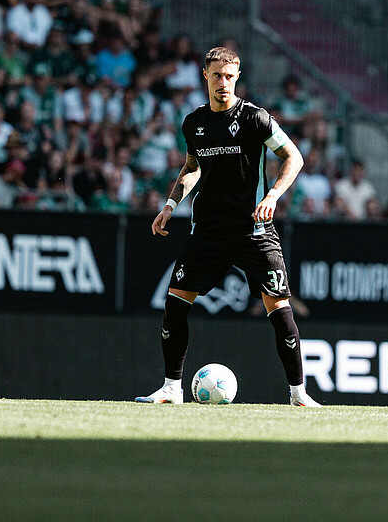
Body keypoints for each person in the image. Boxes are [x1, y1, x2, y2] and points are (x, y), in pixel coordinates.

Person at [136, 47, 321, 407]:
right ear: (205, 75)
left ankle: (299, 395)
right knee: (175, 304)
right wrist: (171, 205)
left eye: (231, 76)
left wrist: (273, 196)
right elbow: (192, 167)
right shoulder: (194, 123)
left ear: (237, 78)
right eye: (218, 75)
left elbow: (293, 156)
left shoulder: (255, 118)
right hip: (208, 232)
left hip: (254, 231)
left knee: (280, 309)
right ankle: (172, 390)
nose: (224, 83)